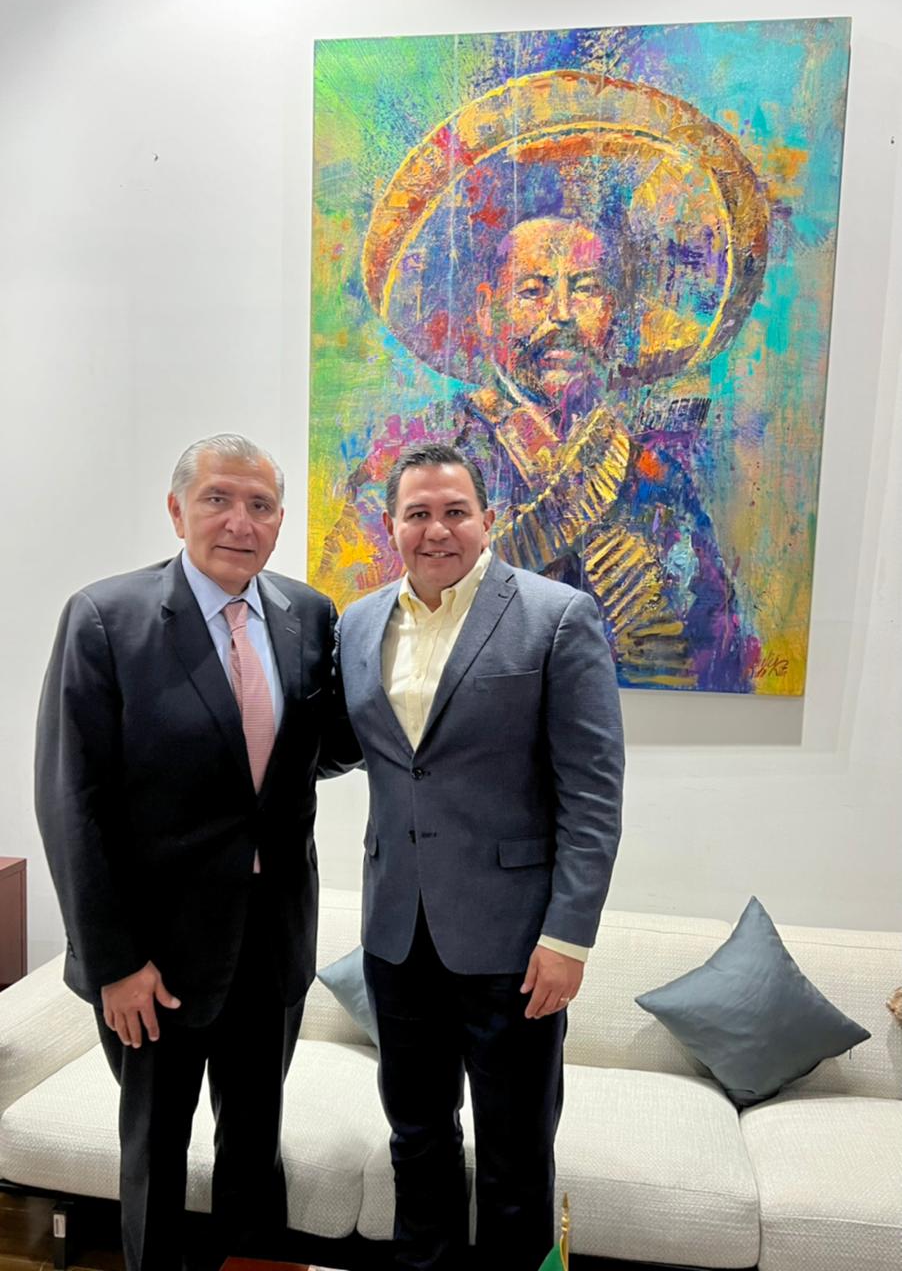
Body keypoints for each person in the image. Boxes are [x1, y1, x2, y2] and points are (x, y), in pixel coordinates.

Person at [35, 433, 352, 1271]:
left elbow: (313, 751)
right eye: (218, 499)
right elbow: (72, 803)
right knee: (156, 1157)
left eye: (260, 505)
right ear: (177, 511)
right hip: (156, 962)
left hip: (272, 946)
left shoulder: (309, 615)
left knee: (254, 1147)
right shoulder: (106, 618)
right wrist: (114, 963)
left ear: (280, 521)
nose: (239, 522)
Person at [335, 442, 625, 1270]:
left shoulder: (557, 617)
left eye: (455, 512)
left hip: (516, 946)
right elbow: (344, 748)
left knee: (515, 1155)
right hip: (397, 937)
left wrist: (568, 937)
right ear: (391, 525)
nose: (437, 530)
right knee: (416, 1138)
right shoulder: (357, 624)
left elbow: (593, 793)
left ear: (488, 519)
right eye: (418, 514)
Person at [319, 214, 754, 691]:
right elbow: (361, 632)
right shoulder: (416, 458)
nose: (562, 313)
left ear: (612, 309)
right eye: (533, 291)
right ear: (486, 311)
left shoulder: (656, 477)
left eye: (586, 289)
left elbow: (716, 649)